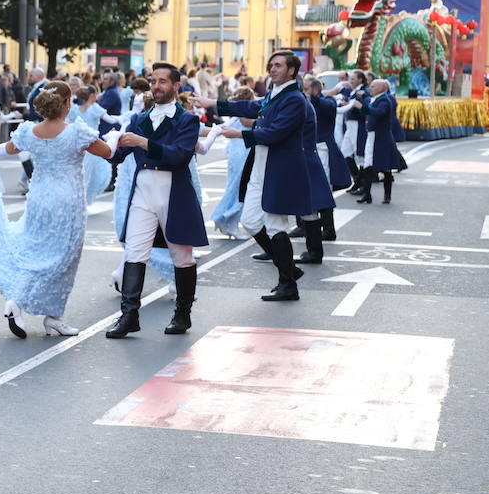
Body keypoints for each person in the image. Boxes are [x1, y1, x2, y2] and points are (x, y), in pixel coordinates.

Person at [0, 81, 112, 337]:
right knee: (65, 257)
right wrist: (117, 137)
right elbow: (107, 152)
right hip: (67, 200)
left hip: (39, 198)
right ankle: (46, 312)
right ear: (67, 104)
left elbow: (6, 149)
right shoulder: (76, 132)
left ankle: (30, 305)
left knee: (35, 251)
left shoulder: (29, 131)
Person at [198, 51, 333, 301]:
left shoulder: (295, 99)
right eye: (271, 65)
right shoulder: (276, 94)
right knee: (250, 221)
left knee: (275, 224)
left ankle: (287, 283)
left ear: (292, 70)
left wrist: (239, 134)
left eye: (278, 65)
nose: (272, 69)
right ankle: (289, 268)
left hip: (279, 169)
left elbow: (276, 133)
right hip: (262, 166)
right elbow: (252, 105)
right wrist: (214, 104)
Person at [105, 64, 206, 337]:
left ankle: (182, 314)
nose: (156, 86)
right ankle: (129, 316)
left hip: (175, 194)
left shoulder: (188, 120)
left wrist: (142, 142)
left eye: (162, 81)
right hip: (143, 191)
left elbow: (179, 155)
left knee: (182, 256)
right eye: (153, 81)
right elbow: (118, 154)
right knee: (134, 251)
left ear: (176, 85)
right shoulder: (140, 119)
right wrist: (102, 144)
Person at [300, 74, 351, 261]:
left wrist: (312, 96)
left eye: (305, 89)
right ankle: (304, 226)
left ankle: (329, 229)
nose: (302, 92)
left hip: (323, 149)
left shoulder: (327, 101)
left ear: (314, 90)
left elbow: (327, 107)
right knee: (307, 190)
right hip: (308, 149)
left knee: (324, 191)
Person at [208, 86, 254, 240]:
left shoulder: (235, 114)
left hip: (237, 153)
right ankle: (228, 221)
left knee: (236, 188)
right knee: (239, 190)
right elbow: (248, 125)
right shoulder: (241, 113)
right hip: (242, 153)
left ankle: (227, 220)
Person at [355, 78, 408, 205]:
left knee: (385, 167)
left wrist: (363, 108)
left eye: (373, 86)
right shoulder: (373, 99)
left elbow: (379, 112)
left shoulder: (385, 100)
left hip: (381, 138)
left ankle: (387, 195)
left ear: (382, 88)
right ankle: (367, 194)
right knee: (367, 165)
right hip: (371, 135)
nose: (370, 88)